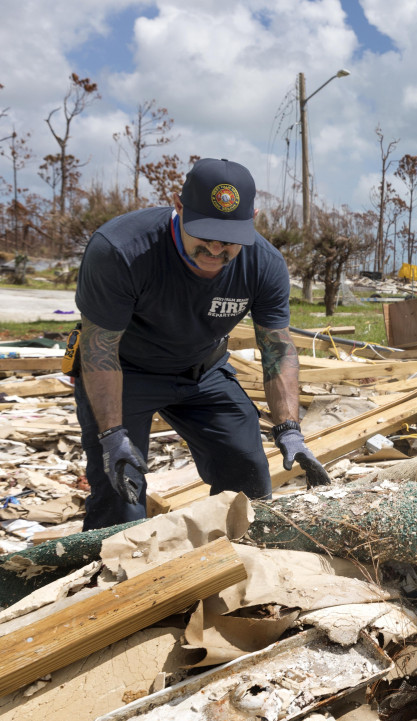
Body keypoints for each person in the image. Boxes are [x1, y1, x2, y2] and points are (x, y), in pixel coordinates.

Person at [74, 157, 330, 531]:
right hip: (125, 370)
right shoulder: (121, 250)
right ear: (179, 207)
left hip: (202, 371)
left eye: (228, 238)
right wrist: (112, 437)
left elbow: (277, 348)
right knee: (121, 497)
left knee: (247, 469)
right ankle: (109, 564)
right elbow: (99, 349)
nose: (215, 247)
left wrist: (289, 428)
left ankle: (233, 557)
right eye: (205, 233)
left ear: (252, 219)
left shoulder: (264, 265)